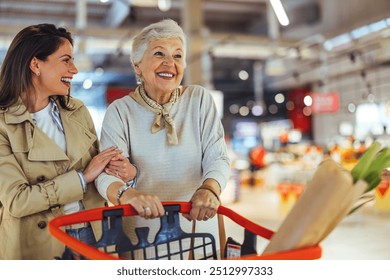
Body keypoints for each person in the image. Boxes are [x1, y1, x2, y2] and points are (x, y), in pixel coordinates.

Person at [96, 19, 231, 259]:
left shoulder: (199, 100)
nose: (170, 63)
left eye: (178, 56)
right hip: (143, 236)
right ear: (137, 66)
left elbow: (217, 157)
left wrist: (209, 188)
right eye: (159, 53)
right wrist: (129, 195)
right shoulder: (120, 111)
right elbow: (106, 174)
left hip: (199, 230)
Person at [0, 23, 134, 260]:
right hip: (41, 243)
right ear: (35, 64)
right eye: (66, 60)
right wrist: (83, 178)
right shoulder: (3, 125)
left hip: (95, 235)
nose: (74, 69)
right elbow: (17, 201)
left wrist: (121, 171)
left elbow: (98, 170)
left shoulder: (77, 111)